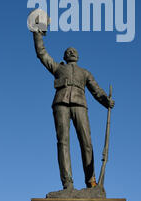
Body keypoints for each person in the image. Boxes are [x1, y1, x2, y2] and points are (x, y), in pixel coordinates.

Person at [32, 31, 114, 189]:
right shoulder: (58, 68)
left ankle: (91, 181)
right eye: (68, 51)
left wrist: (106, 101)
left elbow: (96, 90)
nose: (71, 51)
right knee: (63, 143)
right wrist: (37, 34)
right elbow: (41, 53)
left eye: (74, 51)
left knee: (86, 143)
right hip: (61, 104)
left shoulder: (84, 73)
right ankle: (67, 183)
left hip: (80, 105)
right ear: (64, 56)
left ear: (77, 56)